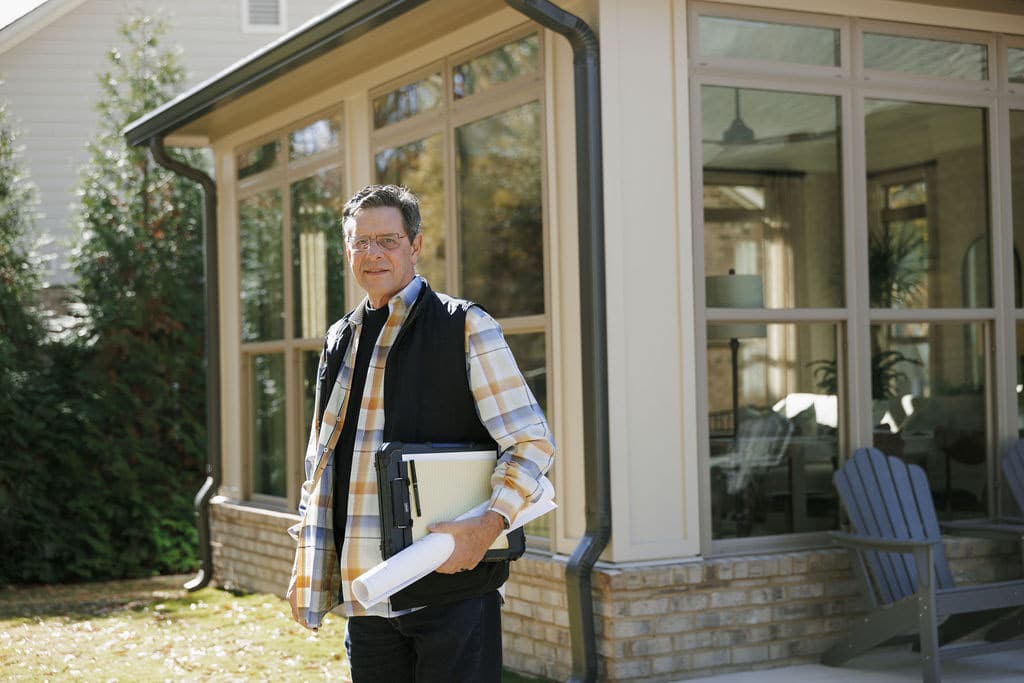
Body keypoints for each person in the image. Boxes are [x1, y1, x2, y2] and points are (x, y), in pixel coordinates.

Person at [286, 184, 555, 682]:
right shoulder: (340, 339)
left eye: (387, 240)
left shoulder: (465, 327)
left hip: (450, 589)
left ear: (415, 245)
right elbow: (321, 464)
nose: (372, 254)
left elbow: (530, 443)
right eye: (360, 243)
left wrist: (488, 528)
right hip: (368, 595)